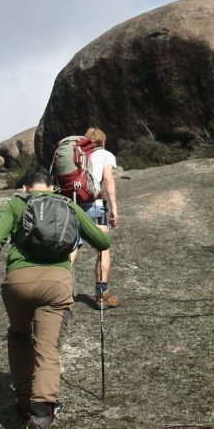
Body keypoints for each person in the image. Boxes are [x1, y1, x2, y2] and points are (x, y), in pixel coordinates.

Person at [0, 165, 110, 429]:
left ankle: (24, 401)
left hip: (18, 283)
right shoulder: (67, 204)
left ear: (25, 188)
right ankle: (39, 424)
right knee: (47, 348)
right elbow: (103, 242)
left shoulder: (15, 203)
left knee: (19, 336)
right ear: (51, 187)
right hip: (56, 284)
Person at [73, 127, 121, 307]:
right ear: (103, 141)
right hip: (95, 206)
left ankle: (58, 293)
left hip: (72, 205)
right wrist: (114, 207)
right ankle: (102, 296)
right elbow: (108, 179)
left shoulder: (75, 155)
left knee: (71, 249)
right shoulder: (104, 154)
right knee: (103, 248)